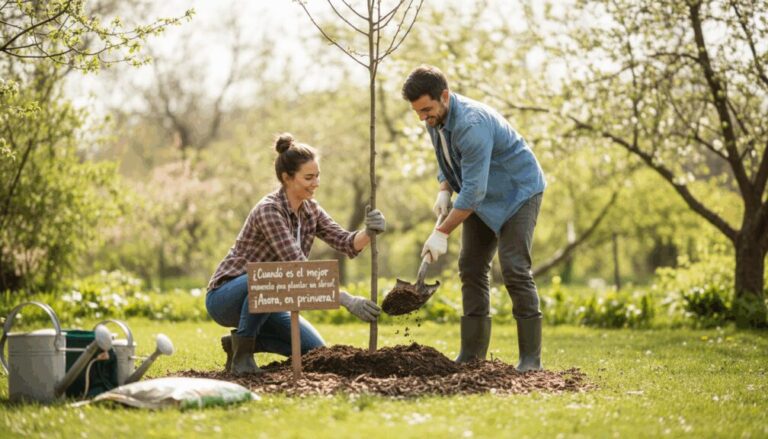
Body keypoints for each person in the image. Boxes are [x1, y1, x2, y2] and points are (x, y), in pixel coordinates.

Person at [401, 65, 546, 372]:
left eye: (426, 110)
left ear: (445, 96)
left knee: (514, 267)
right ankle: (472, 356)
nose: (422, 118)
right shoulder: (434, 118)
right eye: (417, 112)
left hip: (518, 192)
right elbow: (446, 159)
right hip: (480, 196)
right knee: (471, 266)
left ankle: (530, 361)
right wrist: (443, 188)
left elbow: (473, 193)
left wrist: (441, 232)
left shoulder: (471, 124)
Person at [205, 133, 386, 375]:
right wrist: (346, 300)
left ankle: (241, 345)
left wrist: (369, 231)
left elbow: (345, 242)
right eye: (308, 178)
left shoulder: (310, 209)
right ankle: (243, 359)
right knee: (270, 276)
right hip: (227, 298)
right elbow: (298, 270)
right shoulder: (269, 210)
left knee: (316, 352)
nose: (316, 183)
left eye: (317, 176)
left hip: (271, 297)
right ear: (286, 178)